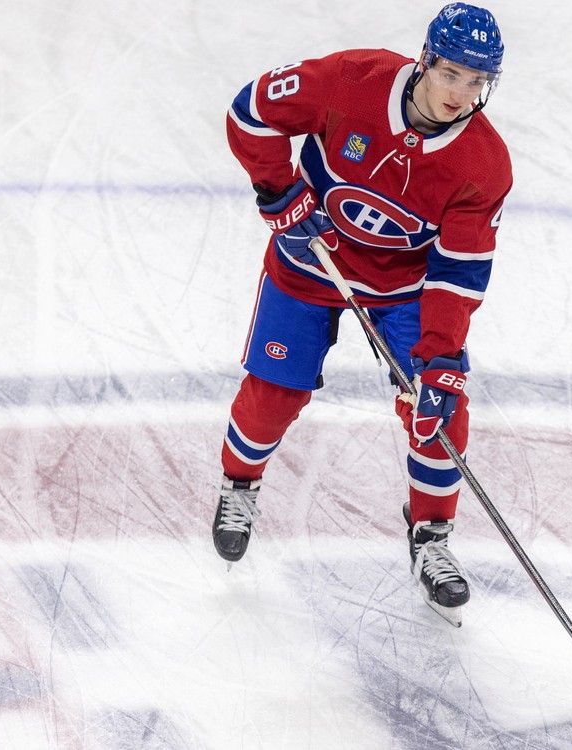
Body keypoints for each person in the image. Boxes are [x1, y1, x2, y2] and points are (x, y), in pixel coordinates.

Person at [213, 2, 511, 626]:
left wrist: (442, 357)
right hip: (310, 259)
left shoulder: (483, 164)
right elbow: (252, 113)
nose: (462, 93)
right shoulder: (352, 80)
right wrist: (280, 195)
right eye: (452, 73)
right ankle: (239, 486)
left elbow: (459, 273)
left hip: (404, 290)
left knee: (440, 414)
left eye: (477, 81)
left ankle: (430, 539)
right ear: (426, 60)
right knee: (272, 393)